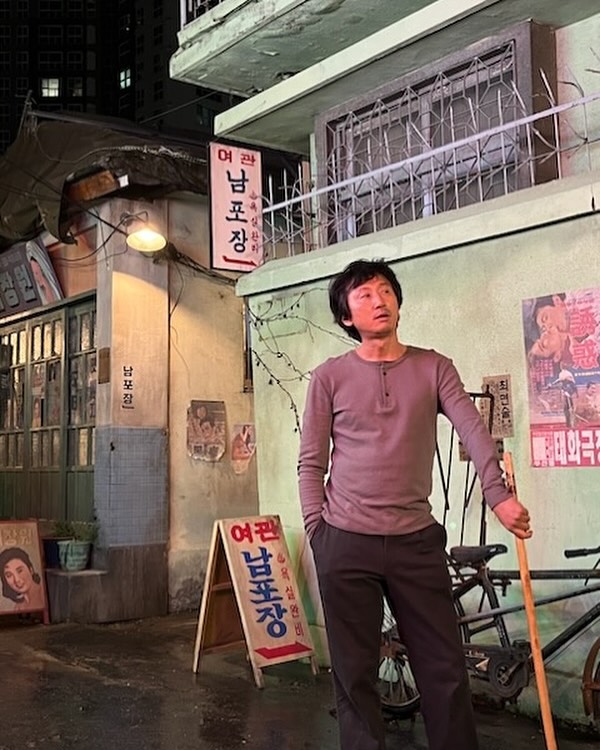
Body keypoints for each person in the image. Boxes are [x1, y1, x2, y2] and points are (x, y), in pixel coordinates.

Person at [297, 259, 531, 750]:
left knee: (444, 670)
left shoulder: (433, 367)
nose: (378, 300)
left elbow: (474, 430)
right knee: (355, 675)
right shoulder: (329, 377)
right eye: (364, 295)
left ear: (398, 303)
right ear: (346, 316)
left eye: (385, 291)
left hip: (416, 543)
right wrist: (318, 533)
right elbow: (311, 463)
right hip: (345, 541)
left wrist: (498, 496)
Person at [0, 547, 45, 612]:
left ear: (31, 570)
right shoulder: (18, 607)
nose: (17, 580)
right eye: (9, 575)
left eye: (20, 571)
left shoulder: (44, 595)